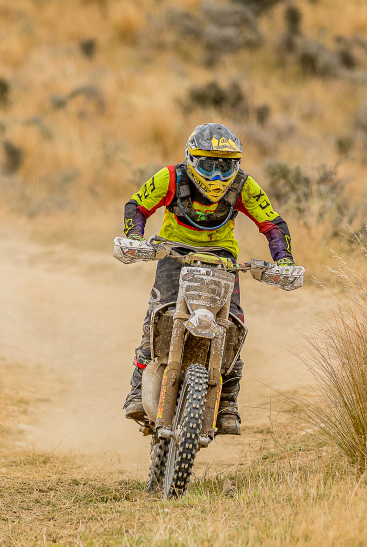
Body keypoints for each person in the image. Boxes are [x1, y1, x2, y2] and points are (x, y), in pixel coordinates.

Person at [121, 122, 297, 435]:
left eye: (225, 167)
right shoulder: (170, 177)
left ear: (236, 166)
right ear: (191, 159)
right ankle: (137, 389)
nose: (216, 176)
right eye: (208, 166)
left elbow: (271, 222)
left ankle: (227, 402)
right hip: (174, 252)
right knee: (157, 314)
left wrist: (284, 261)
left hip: (222, 257)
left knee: (233, 324)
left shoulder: (243, 185)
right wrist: (135, 237)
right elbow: (138, 205)